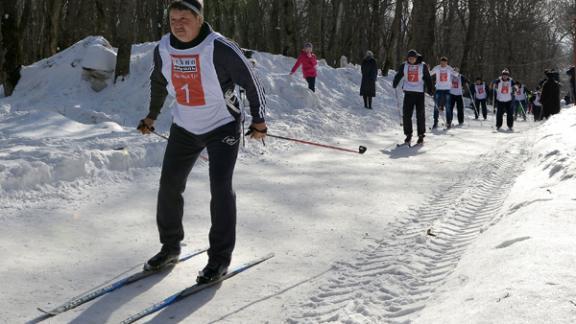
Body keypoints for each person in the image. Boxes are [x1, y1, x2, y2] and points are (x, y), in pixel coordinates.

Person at [137, 0, 268, 284]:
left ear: (199, 18)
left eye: (185, 18)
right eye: (173, 19)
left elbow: (251, 80)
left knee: (221, 189)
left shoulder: (219, 47)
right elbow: (160, 82)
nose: (178, 24)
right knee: (169, 185)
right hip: (184, 125)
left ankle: (219, 259)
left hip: (222, 125)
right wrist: (151, 116)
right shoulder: (164, 48)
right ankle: (170, 247)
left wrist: (259, 120)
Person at [392, 49, 433, 145]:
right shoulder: (404, 65)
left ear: (416, 58)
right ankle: (408, 134)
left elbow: (427, 78)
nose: (411, 60)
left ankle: (421, 135)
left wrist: (430, 89)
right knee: (406, 115)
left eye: (413, 58)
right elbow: (399, 75)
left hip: (419, 93)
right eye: (409, 58)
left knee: (420, 115)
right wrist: (395, 82)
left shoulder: (422, 66)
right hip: (408, 93)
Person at [430, 57, 455, 129]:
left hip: (447, 89)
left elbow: (456, 74)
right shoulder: (437, 68)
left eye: (444, 63)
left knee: (448, 106)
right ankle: (435, 122)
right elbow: (430, 73)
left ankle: (448, 122)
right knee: (436, 106)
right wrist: (427, 69)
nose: (443, 64)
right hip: (438, 89)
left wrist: (456, 72)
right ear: (440, 62)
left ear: (446, 63)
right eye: (441, 63)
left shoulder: (449, 68)